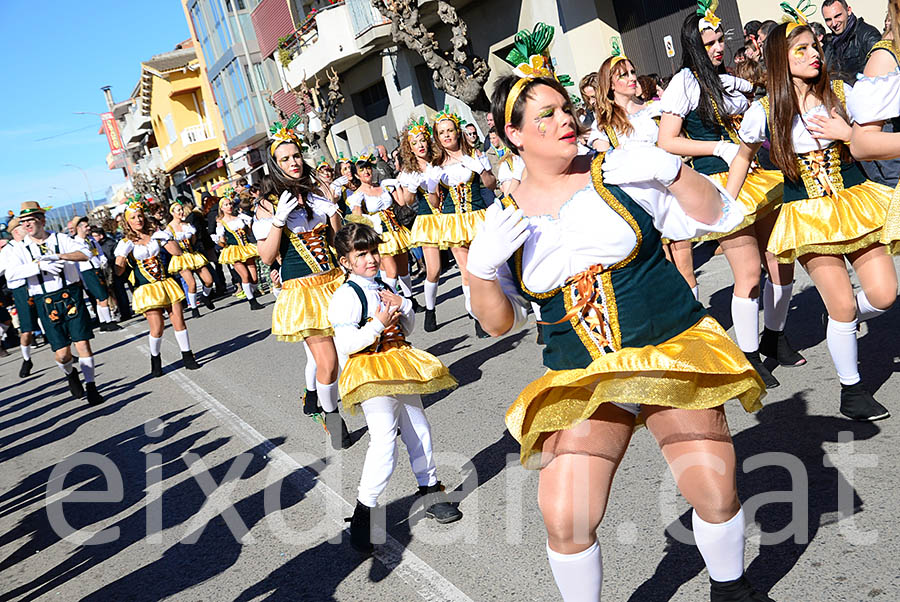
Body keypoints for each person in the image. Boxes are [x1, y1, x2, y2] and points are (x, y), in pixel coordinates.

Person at [468, 21, 769, 601]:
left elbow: (714, 214)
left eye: (565, 108)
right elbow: (497, 323)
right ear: (514, 136)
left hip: (664, 348)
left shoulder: (620, 169)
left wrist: (672, 171)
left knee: (713, 488)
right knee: (565, 514)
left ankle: (731, 590)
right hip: (583, 373)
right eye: (546, 117)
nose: (565, 121)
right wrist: (480, 269)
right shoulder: (504, 216)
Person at [729, 14, 898, 421]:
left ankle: (841, 323)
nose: (813, 54)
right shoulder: (764, 110)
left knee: (884, 295)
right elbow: (741, 158)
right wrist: (725, 208)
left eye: (815, 46)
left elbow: (867, 141)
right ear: (779, 60)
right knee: (840, 305)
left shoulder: (843, 92)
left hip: (856, 202)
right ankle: (851, 389)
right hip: (808, 213)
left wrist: (846, 133)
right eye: (800, 49)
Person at [659, 9, 800, 389]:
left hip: (755, 174)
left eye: (721, 39)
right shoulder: (685, 83)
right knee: (750, 272)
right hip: (720, 182)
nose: (719, 47)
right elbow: (666, 141)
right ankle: (750, 355)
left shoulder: (727, 80)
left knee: (781, 260)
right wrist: (716, 147)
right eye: (710, 43)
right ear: (694, 46)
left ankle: (774, 334)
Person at [329, 222, 461, 554]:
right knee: (385, 439)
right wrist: (377, 324)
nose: (371, 259)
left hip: (398, 363)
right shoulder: (346, 295)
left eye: (373, 251)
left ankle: (429, 489)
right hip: (369, 370)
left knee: (419, 427)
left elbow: (408, 328)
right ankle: (365, 510)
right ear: (346, 260)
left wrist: (404, 306)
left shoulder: (384, 284)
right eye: (361, 254)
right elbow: (346, 344)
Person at [255, 114, 352, 450]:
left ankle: (348, 402)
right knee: (327, 362)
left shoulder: (319, 192)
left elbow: (341, 242)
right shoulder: (267, 205)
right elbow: (267, 257)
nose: (293, 162)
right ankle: (332, 414)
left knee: (352, 352)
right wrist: (279, 220)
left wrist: (336, 212)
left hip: (335, 281)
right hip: (303, 291)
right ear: (275, 165)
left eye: (296, 155)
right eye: (285, 159)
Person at [5, 202, 104, 405]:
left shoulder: (61, 239)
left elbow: (85, 253)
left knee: (83, 343)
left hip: (71, 294)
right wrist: (39, 265)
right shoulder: (20, 248)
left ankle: (92, 387)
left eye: (30, 220)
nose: (26, 225)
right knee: (62, 354)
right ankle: (70, 374)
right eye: (23, 222)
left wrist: (58, 255)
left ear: (42, 220)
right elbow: (11, 274)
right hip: (45, 301)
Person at [114, 197, 201, 377]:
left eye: (140, 216)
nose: (138, 220)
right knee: (157, 327)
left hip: (165, 283)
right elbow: (118, 271)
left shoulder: (155, 234)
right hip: (147, 288)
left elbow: (176, 252)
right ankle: (155, 358)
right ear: (127, 222)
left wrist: (166, 236)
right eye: (133, 218)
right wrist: (122, 255)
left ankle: (187, 356)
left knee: (179, 320)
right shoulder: (125, 242)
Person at [431, 105, 497, 337]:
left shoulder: (475, 156)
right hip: (453, 220)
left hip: (477, 215)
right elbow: (434, 200)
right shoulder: (436, 165)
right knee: (466, 271)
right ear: (437, 137)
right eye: (442, 132)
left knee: (486, 266)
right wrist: (430, 186)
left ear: (457, 132)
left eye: (450, 130)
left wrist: (481, 170)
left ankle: (495, 307)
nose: (447, 135)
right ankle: (477, 317)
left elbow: (491, 184)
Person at [348, 153, 421, 311]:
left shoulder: (383, 185)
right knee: (391, 271)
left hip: (395, 231)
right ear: (356, 174)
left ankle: (409, 299)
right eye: (362, 170)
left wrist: (398, 186)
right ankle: (388, 303)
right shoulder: (358, 195)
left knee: (404, 268)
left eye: (368, 168)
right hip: (379, 236)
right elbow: (356, 219)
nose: (366, 172)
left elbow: (401, 203)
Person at [399, 118, 445, 331]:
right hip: (428, 219)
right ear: (409, 147)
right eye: (415, 142)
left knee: (467, 266)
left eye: (423, 140)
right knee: (434, 270)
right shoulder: (410, 171)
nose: (420, 145)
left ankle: (475, 313)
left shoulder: (441, 160)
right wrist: (411, 189)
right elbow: (408, 202)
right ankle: (430, 309)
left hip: (451, 216)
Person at [588, 54, 662, 153]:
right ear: (610, 84)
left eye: (633, 72)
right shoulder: (603, 123)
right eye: (624, 75)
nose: (632, 78)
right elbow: (603, 161)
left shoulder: (654, 109)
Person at [0, 218, 38, 376]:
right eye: (23, 227)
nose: (26, 228)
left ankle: (65, 353)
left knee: (51, 320)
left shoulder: (30, 243)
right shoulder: (8, 250)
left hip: (37, 286)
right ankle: (26, 359)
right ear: (16, 231)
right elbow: (3, 271)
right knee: (27, 329)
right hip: (21, 290)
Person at [167, 199, 216, 319]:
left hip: (192, 254)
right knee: (192, 284)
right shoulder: (169, 229)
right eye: (178, 210)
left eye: (182, 209)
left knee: (209, 280)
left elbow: (193, 241)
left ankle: (205, 296)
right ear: (173, 213)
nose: (181, 212)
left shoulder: (187, 225)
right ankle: (194, 307)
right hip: (181, 258)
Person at [216, 190, 264, 310]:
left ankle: (251, 293)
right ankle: (252, 301)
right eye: (226, 205)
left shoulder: (239, 218)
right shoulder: (221, 223)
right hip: (233, 250)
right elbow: (222, 242)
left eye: (230, 204)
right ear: (221, 208)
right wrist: (218, 240)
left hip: (246, 248)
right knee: (245, 276)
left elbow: (248, 232)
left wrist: (248, 225)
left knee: (254, 278)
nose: (229, 206)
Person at [71, 216, 120, 332]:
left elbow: (99, 252)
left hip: (97, 269)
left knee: (100, 297)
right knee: (103, 296)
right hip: (87, 271)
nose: (88, 228)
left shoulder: (91, 240)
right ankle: (109, 322)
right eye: (85, 226)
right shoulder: (74, 243)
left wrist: (103, 260)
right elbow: (76, 262)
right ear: (78, 228)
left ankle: (103, 322)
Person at [821, 0, 881, 83]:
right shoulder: (828, 46)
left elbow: (881, 75)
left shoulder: (868, 35)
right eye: (828, 20)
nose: (834, 24)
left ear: (848, 10)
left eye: (837, 16)